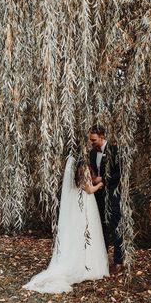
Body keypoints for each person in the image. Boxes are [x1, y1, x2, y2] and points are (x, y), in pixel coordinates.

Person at [23, 154, 109, 293]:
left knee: (79, 235)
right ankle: (89, 266)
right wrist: (99, 184)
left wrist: (93, 179)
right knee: (89, 234)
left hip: (77, 206)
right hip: (87, 205)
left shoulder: (72, 168)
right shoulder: (82, 167)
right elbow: (88, 190)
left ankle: (81, 261)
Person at [88, 124, 124, 273]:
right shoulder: (92, 153)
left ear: (102, 137)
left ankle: (118, 261)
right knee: (101, 228)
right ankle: (102, 260)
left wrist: (102, 180)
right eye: (90, 139)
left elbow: (120, 174)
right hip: (98, 197)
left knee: (115, 227)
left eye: (94, 140)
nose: (91, 142)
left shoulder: (115, 151)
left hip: (113, 196)